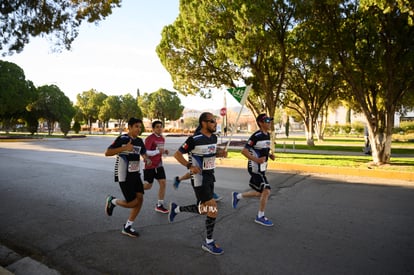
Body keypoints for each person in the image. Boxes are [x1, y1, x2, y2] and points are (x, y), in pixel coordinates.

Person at [169, 112, 227, 255]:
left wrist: (220, 153)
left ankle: (176, 209)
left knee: (204, 210)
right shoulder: (194, 139)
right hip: (199, 179)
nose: (215, 123)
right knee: (213, 208)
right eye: (212, 121)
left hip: (210, 176)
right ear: (204, 123)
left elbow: (211, 153)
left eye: (215, 121)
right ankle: (209, 242)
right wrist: (190, 166)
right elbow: (177, 154)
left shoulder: (214, 137)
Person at [104, 117, 151, 237]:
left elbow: (143, 153)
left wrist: (146, 158)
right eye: (136, 126)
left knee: (140, 199)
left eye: (140, 127)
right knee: (132, 203)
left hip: (135, 174)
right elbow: (107, 152)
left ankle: (128, 226)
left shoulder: (140, 141)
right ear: (129, 127)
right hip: (124, 175)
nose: (138, 129)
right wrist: (124, 148)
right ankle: (112, 201)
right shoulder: (123, 138)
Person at [231, 113, 276, 227]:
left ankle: (237, 196)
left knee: (260, 193)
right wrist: (256, 159)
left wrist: (269, 155)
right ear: (260, 123)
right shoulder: (256, 135)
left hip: (262, 167)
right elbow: (244, 151)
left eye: (269, 120)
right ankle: (260, 216)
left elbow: (264, 148)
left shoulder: (267, 135)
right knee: (266, 190)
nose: (269, 122)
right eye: (266, 120)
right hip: (255, 168)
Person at [143, 120, 169, 214]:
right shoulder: (150, 138)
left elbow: (159, 150)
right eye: (157, 127)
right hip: (150, 165)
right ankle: (134, 189)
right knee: (148, 186)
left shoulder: (162, 138)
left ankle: (159, 205)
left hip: (159, 164)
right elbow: (146, 152)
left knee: (163, 183)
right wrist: (159, 152)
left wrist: (164, 151)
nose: (159, 128)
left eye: (160, 126)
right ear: (153, 129)